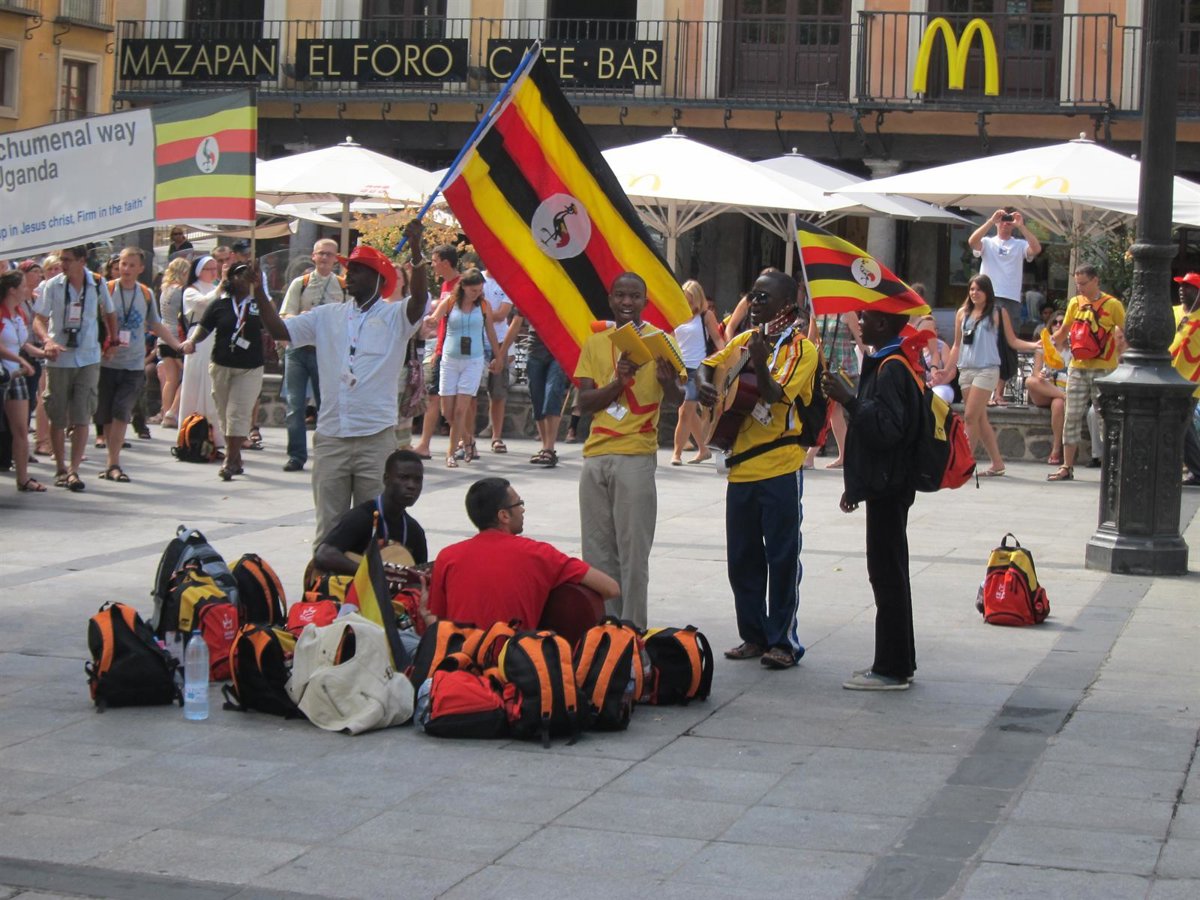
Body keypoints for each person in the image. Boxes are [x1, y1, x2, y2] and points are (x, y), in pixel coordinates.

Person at [260, 223, 428, 543]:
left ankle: (367, 577)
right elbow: (281, 330)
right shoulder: (326, 315)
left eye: (358, 270)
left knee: (375, 530)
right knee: (329, 530)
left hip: (375, 438)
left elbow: (419, 299)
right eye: (348, 268)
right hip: (331, 437)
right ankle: (323, 577)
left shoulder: (395, 317)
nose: (348, 274)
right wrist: (258, 291)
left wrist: (417, 249)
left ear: (378, 279)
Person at [697, 270, 819, 670]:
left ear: (786, 304)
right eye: (752, 295)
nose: (754, 303)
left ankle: (783, 641)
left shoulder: (801, 349)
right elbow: (707, 365)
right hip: (741, 469)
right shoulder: (743, 341)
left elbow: (773, 394)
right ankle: (753, 634)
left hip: (780, 466)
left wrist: (762, 363)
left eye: (763, 297)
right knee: (742, 558)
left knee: (782, 558)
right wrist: (705, 385)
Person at [822, 309, 923, 691]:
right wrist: (856, 487)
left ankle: (891, 668)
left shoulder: (892, 367)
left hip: (890, 486)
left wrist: (849, 399)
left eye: (865, 318)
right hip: (884, 484)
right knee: (889, 571)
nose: (858, 323)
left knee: (887, 574)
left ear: (882, 325)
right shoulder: (889, 361)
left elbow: (887, 429)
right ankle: (899, 661)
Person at [575, 272, 683, 629]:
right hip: (595, 457)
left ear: (645, 302)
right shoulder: (595, 343)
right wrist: (618, 383)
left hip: (635, 455)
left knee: (633, 553)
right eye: (620, 295)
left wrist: (669, 384)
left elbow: (679, 398)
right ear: (610, 299)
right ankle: (605, 631)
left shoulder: (661, 341)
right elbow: (584, 403)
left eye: (634, 296)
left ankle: (633, 630)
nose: (626, 302)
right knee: (596, 552)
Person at [427, 476, 619, 630]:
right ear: (504, 515)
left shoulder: (447, 557)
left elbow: (439, 623)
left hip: (458, 663)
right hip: (514, 662)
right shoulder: (539, 554)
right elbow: (611, 588)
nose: (523, 509)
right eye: (519, 504)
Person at [98, 248, 188, 483]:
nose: (126, 269)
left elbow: (156, 324)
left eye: (131, 265)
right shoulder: (107, 290)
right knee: (107, 415)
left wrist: (178, 346)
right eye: (123, 264)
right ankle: (111, 460)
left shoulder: (145, 294)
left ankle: (114, 462)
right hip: (107, 363)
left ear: (141, 268)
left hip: (133, 364)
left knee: (121, 412)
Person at [934, 274, 1037, 478]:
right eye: (972, 289)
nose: (974, 293)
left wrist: (1034, 345)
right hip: (966, 370)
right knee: (980, 419)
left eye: (979, 289)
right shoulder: (962, 313)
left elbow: (1012, 340)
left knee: (970, 416)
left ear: (987, 292)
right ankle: (997, 463)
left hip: (987, 369)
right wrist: (948, 369)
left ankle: (964, 464)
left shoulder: (997, 312)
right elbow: (957, 345)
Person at [32, 245, 116, 493]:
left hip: (88, 356)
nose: (63, 264)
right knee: (57, 414)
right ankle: (60, 468)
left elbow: (110, 312)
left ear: (82, 260)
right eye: (62, 259)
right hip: (60, 357)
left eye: (68, 260)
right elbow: (39, 319)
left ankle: (74, 469)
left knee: (82, 415)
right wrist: (47, 340)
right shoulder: (53, 285)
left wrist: (112, 341)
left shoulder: (97, 283)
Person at [180, 263, 269, 481]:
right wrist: (192, 341)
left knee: (238, 412)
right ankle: (236, 457)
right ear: (230, 278)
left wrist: (260, 292)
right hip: (221, 365)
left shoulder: (259, 304)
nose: (243, 278)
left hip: (249, 367)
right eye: (238, 274)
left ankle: (229, 460)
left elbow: (272, 323)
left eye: (247, 275)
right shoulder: (220, 304)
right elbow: (204, 326)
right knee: (223, 411)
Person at [1046, 264, 1126, 482]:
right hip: (1078, 367)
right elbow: (1064, 330)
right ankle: (1066, 466)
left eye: (1083, 283)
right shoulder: (1075, 303)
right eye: (1077, 283)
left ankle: (1112, 467)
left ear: (1095, 280)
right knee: (1071, 416)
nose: (1079, 288)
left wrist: (1123, 358)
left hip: (1105, 369)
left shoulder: (1113, 305)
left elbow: (1126, 332)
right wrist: (1048, 342)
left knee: (1104, 418)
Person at [279, 239, 347, 473]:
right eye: (321, 254)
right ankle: (296, 455)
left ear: (336, 258)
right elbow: (286, 315)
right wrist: (305, 318)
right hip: (298, 350)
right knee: (294, 405)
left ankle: (326, 454)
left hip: (326, 352)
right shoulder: (301, 283)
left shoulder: (342, 286)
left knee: (326, 406)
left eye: (329, 254)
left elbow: (349, 318)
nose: (325, 258)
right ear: (313, 256)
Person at [968, 207, 1042, 406]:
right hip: (988, 298)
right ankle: (983, 391)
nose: (1005, 223)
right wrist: (990, 221)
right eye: (1003, 219)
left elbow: (1036, 249)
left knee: (1007, 346)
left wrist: (1022, 226)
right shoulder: (988, 242)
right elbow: (972, 242)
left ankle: (998, 393)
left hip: (1010, 299)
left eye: (1008, 220)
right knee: (985, 343)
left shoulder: (1019, 244)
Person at [313, 449, 429, 576]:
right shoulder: (361, 517)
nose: (412, 485)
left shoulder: (415, 532)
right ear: (386, 479)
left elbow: (420, 577)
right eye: (404, 478)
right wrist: (371, 575)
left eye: (418, 480)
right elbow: (323, 554)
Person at [429, 267, 502, 468]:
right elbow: (435, 317)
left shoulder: (484, 305)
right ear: (463, 287)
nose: (476, 294)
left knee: (461, 410)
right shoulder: (450, 302)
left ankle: (451, 453)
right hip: (450, 360)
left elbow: (490, 331)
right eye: (473, 290)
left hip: (473, 360)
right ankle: (468, 439)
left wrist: (498, 356)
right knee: (447, 412)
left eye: (479, 291)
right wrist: (430, 320)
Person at [1, 271, 49, 492]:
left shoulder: (19, 313)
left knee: (21, 429)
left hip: (15, 376)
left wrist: (44, 352)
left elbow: (22, 344)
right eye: (22, 286)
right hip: (3, 374)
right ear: (12, 290)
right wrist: (20, 359)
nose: (26, 289)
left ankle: (23, 478)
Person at [413, 244, 460, 460]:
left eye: (434, 261)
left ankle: (463, 441)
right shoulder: (445, 285)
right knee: (436, 397)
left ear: (445, 263)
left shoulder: (461, 285)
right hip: (442, 348)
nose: (432, 265)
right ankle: (427, 444)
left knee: (454, 402)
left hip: (456, 350)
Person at [671, 279, 725, 466]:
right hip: (679, 368)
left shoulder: (705, 316)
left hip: (697, 369)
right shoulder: (676, 314)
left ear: (697, 298)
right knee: (689, 411)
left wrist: (725, 359)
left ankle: (677, 453)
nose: (687, 303)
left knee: (685, 411)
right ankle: (703, 449)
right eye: (684, 298)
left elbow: (717, 339)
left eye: (690, 299)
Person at [176, 256, 223, 442]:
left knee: (213, 384)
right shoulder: (190, 290)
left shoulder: (216, 288)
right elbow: (203, 304)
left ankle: (215, 434)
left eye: (215, 268)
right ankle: (192, 432)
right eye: (208, 269)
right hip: (199, 337)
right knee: (198, 383)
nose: (213, 272)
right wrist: (220, 288)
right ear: (198, 271)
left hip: (216, 336)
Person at [810, 310, 865, 468]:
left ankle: (810, 455)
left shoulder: (849, 314)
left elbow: (861, 342)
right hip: (822, 365)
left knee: (828, 410)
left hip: (842, 368)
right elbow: (810, 341)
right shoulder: (817, 312)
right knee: (834, 413)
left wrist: (874, 363)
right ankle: (845, 455)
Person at [152, 257, 192, 429]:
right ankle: (172, 412)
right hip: (178, 338)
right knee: (189, 376)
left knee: (170, 379)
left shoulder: (165, 289)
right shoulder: (182, 291)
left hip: (163, 338)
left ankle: (167, 412)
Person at [1025, 311, 1069, 466]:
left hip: (1063, 388)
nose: (1058, 325)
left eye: (1061, 322)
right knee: (1030, 381)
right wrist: (1041, 374)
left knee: (1058, 404)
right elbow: (1036, 372)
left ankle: (1056, 449)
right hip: (1046, 388)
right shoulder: (1044, 345)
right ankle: (1064, 397)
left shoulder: (1073, 347)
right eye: (1055, 322)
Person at [480, 269, 516, 454]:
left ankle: (496, 436)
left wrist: (480, 313)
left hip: (500, 342)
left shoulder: (506, 282)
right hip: (476, 341)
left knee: (498, 393)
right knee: (469, 393)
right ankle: (465, 438)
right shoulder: (476, 278)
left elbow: (502, 314)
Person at [524, 317, 568, 468]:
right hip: (535, 350)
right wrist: (501, 353)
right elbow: (517, 321)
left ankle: (549, 448)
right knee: (537, 399)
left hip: (559, 349)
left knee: (552, 394)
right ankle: (545, 447)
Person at [1171, 273, 1200, 487]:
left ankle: (1196, 469)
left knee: (1183, 426)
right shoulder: (1172, 312)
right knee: (1181, 426)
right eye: (1181, 286)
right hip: (1168, 379)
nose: (1182, 290)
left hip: (1191, 383)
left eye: (1188, 287)